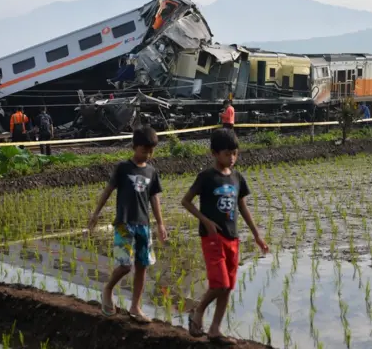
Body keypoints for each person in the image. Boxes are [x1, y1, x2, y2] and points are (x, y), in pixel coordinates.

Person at [180, 129, 268, 344]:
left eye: (235, 154)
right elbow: (186, 201)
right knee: (219, 283)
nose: (232, 158)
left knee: (228, 286)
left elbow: (243, 207)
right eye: (227, 154)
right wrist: (206, 221)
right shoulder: (207, 177)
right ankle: (197, 312)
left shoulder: (238, 178)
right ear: (214, 153)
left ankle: (215, 329)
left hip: (232, 237)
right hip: (212, 237)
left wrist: (257, 235)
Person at [87, 125, 168, 323]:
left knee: (142, 266)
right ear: (134, 147)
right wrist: (96, 213)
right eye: (144, 150)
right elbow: (108, 190)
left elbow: (154, 198)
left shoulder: (151, 171)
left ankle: (135, 307)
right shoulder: (123, 168)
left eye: (150, 151)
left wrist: (160, 224)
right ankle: (107, 290)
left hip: (143, 224)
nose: (147, 155)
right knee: (124, 266)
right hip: (124, 223)